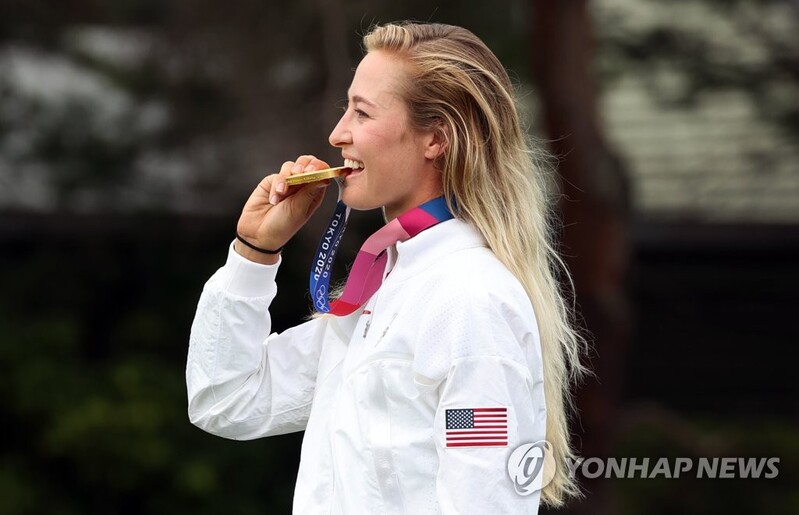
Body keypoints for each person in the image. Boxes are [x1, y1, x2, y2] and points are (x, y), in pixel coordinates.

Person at [186, 21, 586, 514]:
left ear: (435, 139)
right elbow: (226, 399)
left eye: (362, 112)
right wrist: (253, 252)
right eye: (345, 108)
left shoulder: (472, 299)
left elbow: (483, 501)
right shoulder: (383, 291)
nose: (337, 134)